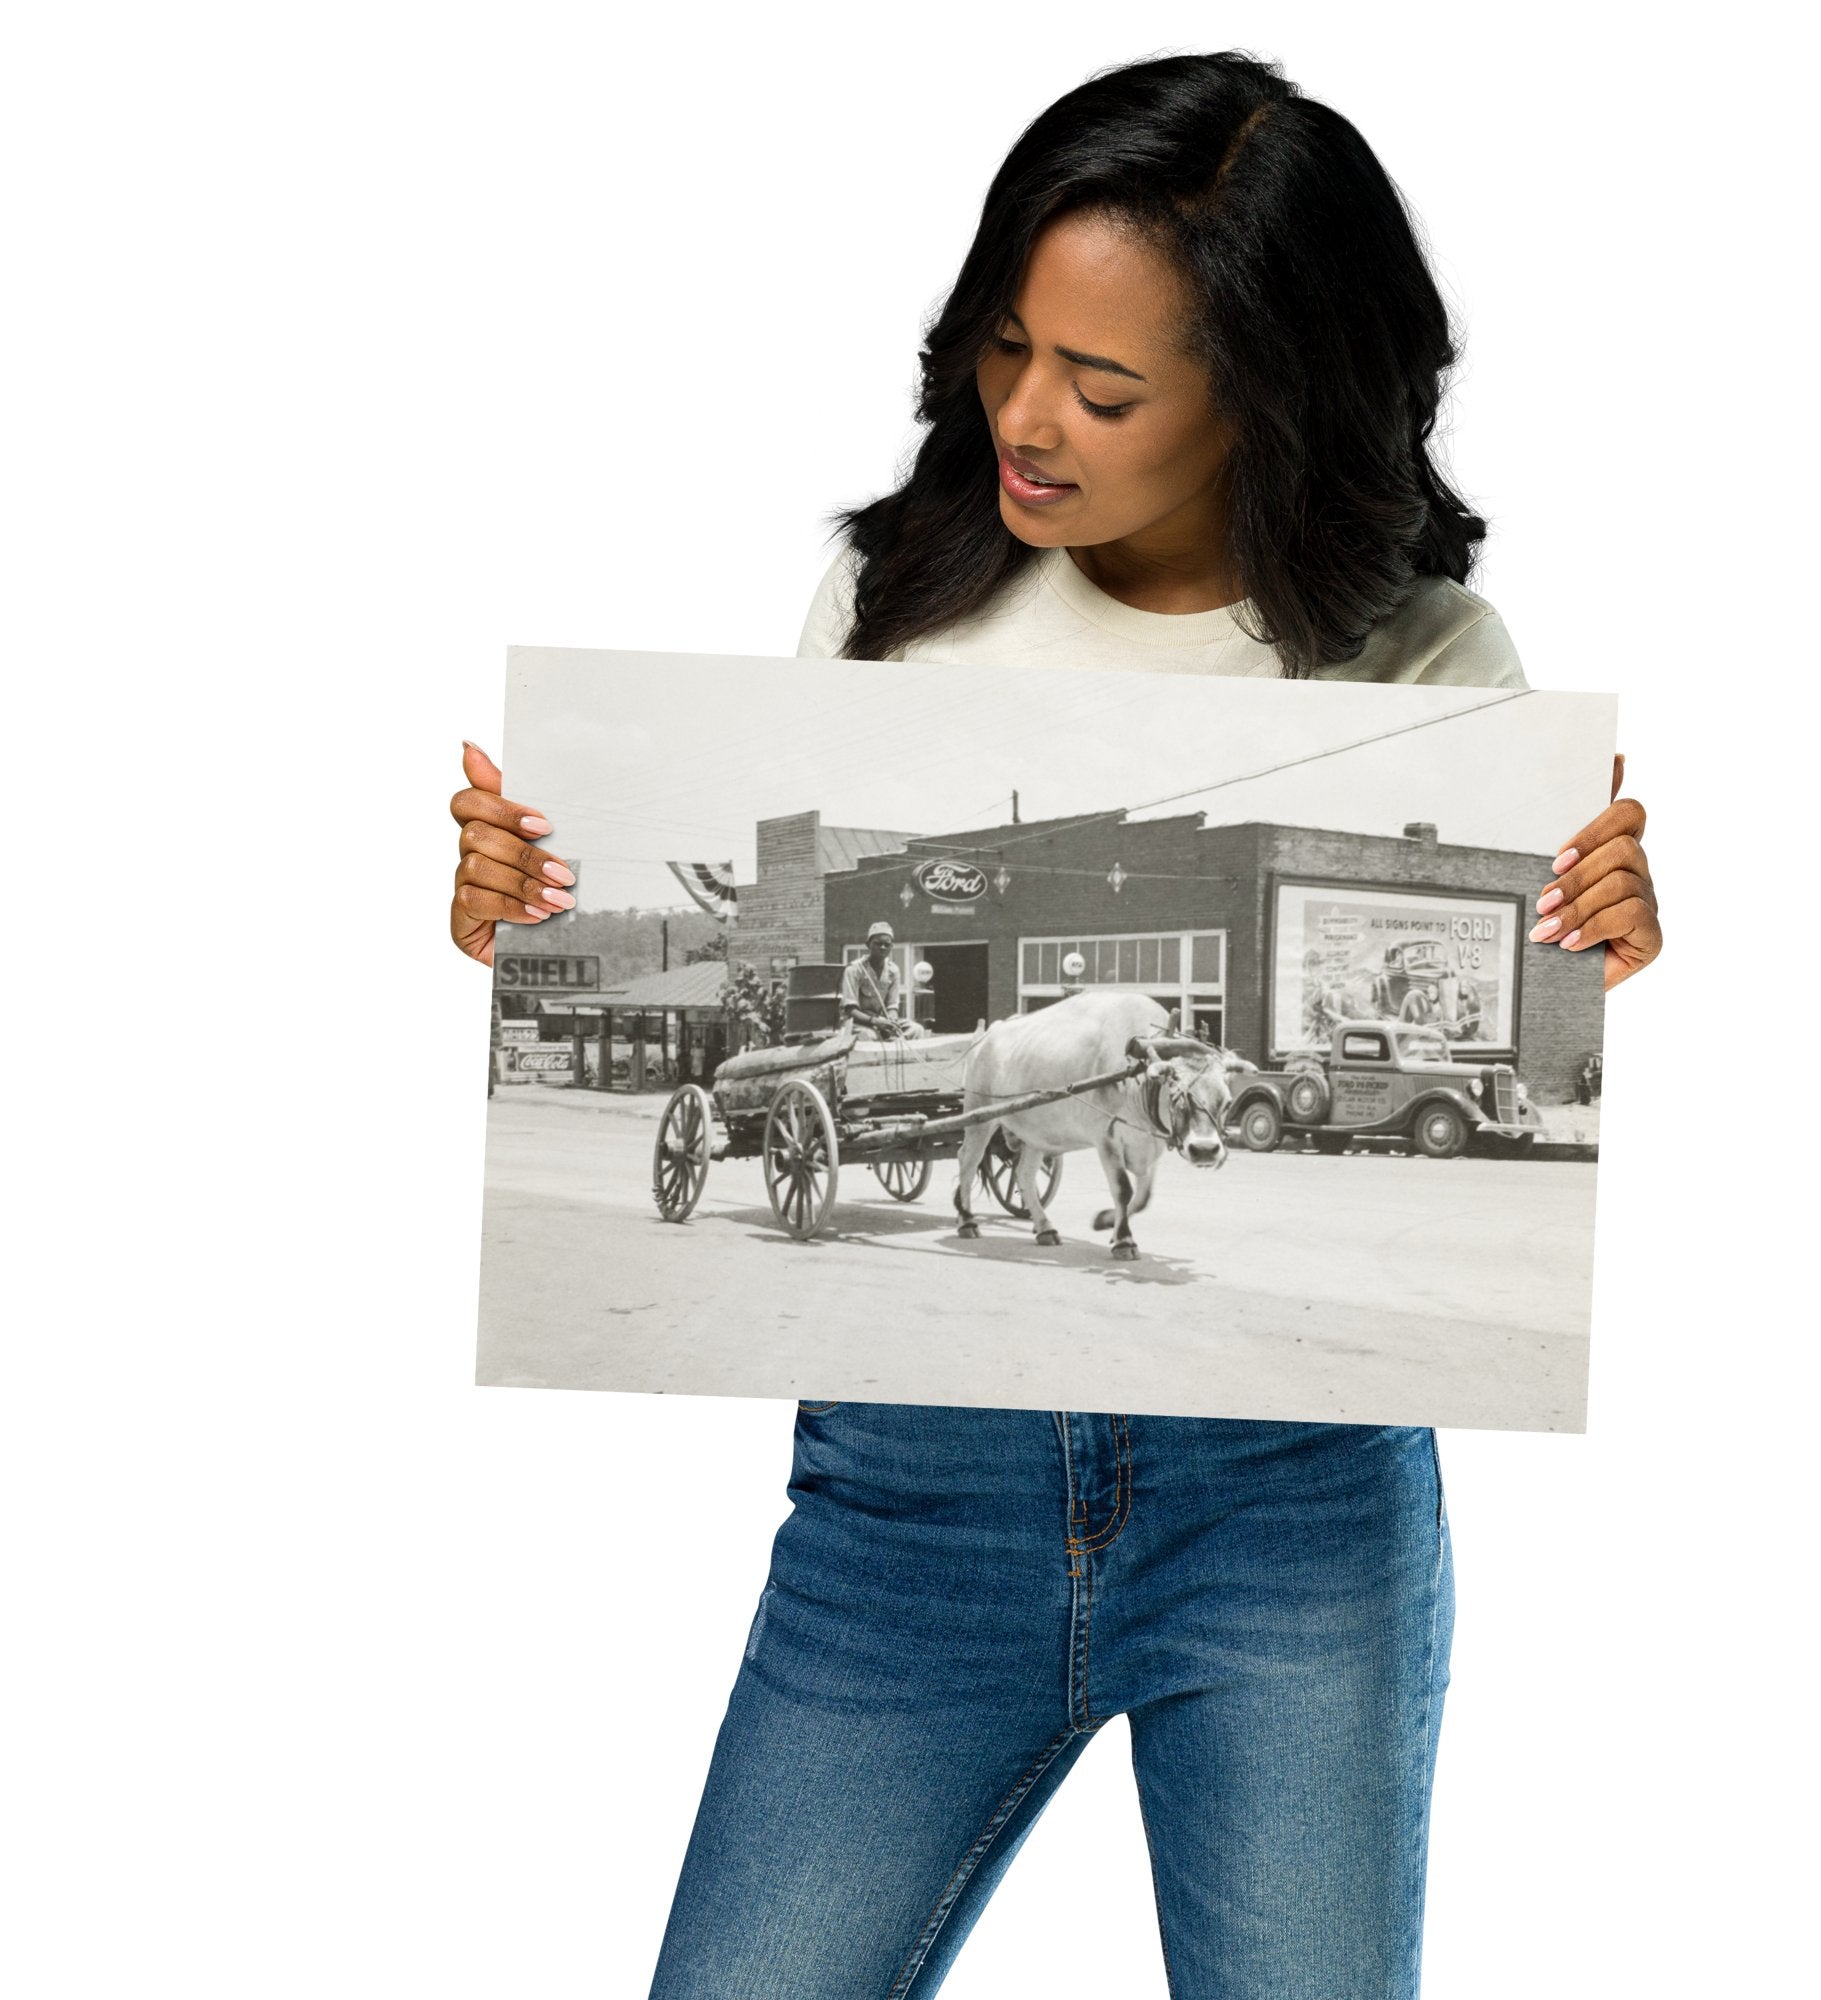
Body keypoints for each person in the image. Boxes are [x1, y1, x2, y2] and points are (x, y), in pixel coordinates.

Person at [448, 51, 1661, 1998]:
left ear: (1265, 396)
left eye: (1102, 388)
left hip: (1288, 1518)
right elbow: (775, 924)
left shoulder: (1432, 656)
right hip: (907, 1504)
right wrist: (523, 909)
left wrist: (1602, 930)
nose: (1024, 416)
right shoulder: (891, 598)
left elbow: (1542, 967)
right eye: (1007, 346)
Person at [839, 920, 909, 1039]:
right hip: (856, 1023)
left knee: (915, 1030)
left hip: (881, 1021)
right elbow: (850, 1010)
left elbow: (892, 1005)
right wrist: (874, 1021)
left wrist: (892, 1019)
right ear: (868, 944)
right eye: (878, 944)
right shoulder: (854, 969)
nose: (882, 947)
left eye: (887, 944)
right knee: (870, 1036)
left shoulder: (893, 970)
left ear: (891, 946)